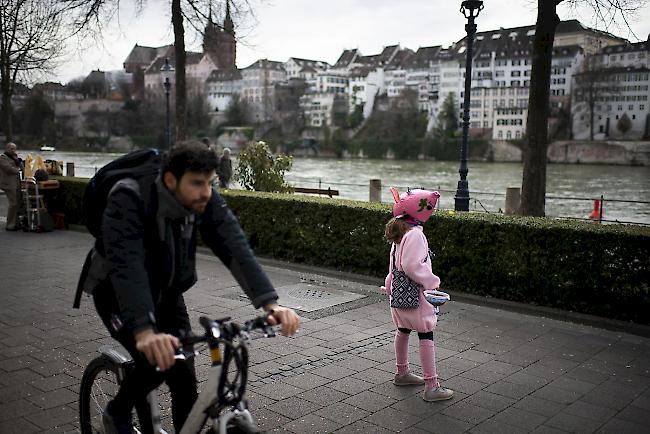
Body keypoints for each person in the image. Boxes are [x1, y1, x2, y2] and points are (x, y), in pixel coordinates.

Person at [82, 143, 300, 433]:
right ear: (171, 180)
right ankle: (116, 412)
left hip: (166, 291)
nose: (206, 191)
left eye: (209, 182)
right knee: (154, 361)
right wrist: (145, 331)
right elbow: (127, 266)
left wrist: (270, 303)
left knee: (184, 376)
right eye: (197, 183)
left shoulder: (202, 198)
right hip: (115, 292)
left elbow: (234, 245)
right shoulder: (129, 196)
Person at [383, 189, 454, 402]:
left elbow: (394, 266)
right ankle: (432, 386)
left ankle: (402, 373)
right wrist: (432, 282)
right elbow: (412, 266)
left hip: (398, 293)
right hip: (416, 295)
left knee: (403, 330)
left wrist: (389, 286)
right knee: (426, 334)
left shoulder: (401, 231)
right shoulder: (416, 234)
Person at [0, 142, 22, 231]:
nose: (13, 151)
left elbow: (21, 167)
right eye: (11, 148)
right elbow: (8, 169)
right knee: (13, 203)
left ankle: (15, 223)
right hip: (8, 184)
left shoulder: (14, 158)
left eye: (14, 149)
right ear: (7, 148)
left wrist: (18, 161)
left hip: (16, 183)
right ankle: (9, 224)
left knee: (18, 203)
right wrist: (18, 170)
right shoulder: (2, 158)